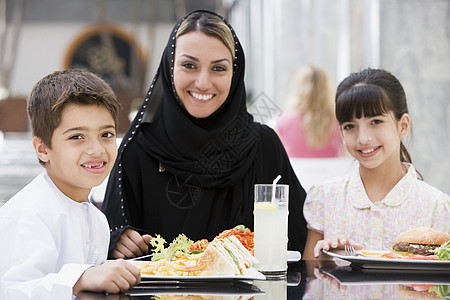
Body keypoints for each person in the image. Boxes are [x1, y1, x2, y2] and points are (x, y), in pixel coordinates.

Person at [101, 10, 308, 259]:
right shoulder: (138, 151)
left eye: (218, 68)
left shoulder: (262, 146)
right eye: (189, 65)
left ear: (235, 73)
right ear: (169, 67)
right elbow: (105, 240)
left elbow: (299, 243)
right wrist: (116, 240)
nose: (202, 82)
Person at [0, 69, 141, 299]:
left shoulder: (97, 220)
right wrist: (81, 278)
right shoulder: (30, 213)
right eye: (77, 137)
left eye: (106, 134)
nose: (96, 149)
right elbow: (15, 289)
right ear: (43, 149)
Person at [302, 68, 450, 260]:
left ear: (403, 125)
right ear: (341, 132)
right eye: (350, 126)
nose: (363, 138)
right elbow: (311, 283)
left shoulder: (436, 207)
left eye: (376, 121)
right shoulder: (325, 198)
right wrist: (328, 257)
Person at [275, 65, 344, 158]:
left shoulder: (280, 122)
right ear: (326, 88)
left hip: (293, 172)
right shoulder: (340, 121)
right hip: (333, 172)